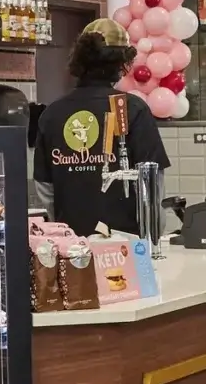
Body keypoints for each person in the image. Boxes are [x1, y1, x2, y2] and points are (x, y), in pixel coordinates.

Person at [34, 19, 170, 236]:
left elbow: (44, 187)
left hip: (71, 245)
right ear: (122, 63)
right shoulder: (133, 108)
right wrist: (154, 235)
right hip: (126, 243)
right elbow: (152, 181)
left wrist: (64, 228)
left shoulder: (52, 114)